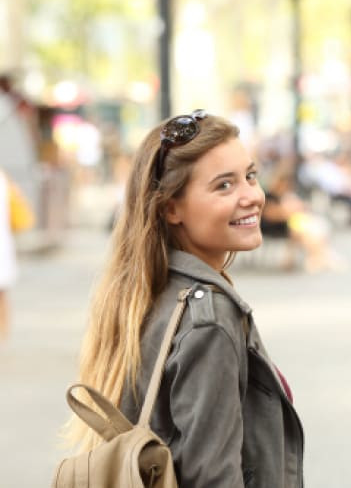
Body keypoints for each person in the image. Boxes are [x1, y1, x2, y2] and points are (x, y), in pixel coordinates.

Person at [64, 111, 304, 487]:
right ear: (170, 208)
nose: (252, 197)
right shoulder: (208, 318)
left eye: (250, 176)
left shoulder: (147, 291)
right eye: (224, 186)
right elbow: (213, 477)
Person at [261, 171, 345, 272]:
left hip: (288, 223)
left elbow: (295, 208)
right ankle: (316, 257)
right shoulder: (268, 196)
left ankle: (318, 255)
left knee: (309, 228)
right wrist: (288, 212)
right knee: (303, 229)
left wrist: (292, 210)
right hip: (274, 226)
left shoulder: (285, 196)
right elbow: (271, 215)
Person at [0, 169, 18, 341]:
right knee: (3, 294)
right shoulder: (4, 178)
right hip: (3, 243)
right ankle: (4, 334)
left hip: (3, 244)